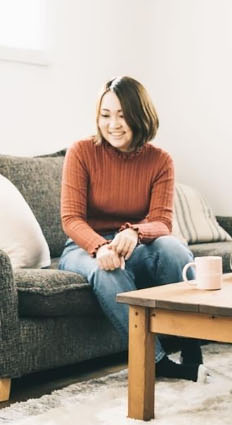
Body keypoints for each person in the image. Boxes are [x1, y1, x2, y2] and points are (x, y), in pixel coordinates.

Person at [59, 76, 203, 380]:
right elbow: (71, 219)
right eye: (106, 115)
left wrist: (134, 232)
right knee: (106, 270)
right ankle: (156, 361)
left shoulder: (160, 160)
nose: (113, 124)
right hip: (83, 248)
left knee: (175, 250)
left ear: (141, 115)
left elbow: (162, 222)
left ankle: (192, 342)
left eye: (123, 115)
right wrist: (100, 247)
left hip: (134, 245)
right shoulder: (81, 152)